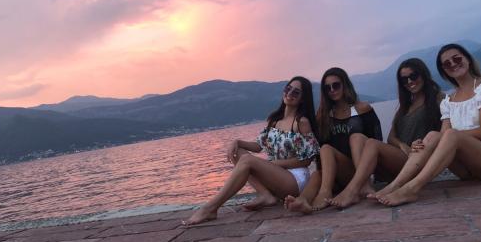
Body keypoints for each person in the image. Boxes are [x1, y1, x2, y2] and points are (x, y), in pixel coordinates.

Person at [375, 43, 481, 206]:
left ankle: (412, 189)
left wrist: (451, 136)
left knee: (449, 134)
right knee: (433, 135)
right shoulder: (449, 100)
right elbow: (441, 136)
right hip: (467, 170)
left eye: (456, 59)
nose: (453, 64)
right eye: (447, 64)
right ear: (444, 70)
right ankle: (395, 185)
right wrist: (420, 144)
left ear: (467, 59)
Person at [183, 76, 320, 225]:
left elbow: (306, 160)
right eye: (288, 89)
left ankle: (210, 208)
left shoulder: (301, 122)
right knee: (238, 152)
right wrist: (237, 142)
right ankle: (265, 195)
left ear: (302, 98)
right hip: (277, 173)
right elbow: (258, 146)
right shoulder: (275, 120)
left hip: (295, 179)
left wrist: (275, 164)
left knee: (247, 161)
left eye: (296, 92)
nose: (290, 93)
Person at [328, 58, 443, 208]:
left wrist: (423, 142)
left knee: (372, 143)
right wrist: (402, 145)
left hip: (417, 159)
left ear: (423, 75)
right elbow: (390, 138)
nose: (409, 81)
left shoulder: (438, 99)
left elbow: (443, 133)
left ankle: (352, 190)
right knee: (356, 137)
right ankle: (364, 185)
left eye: (413, 76)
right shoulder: (405, 105)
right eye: (404, 79)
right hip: (401, 158)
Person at [284, 67, 382, 214]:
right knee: (319, 168)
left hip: (362, 170)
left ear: (345, 85)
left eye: (336, 85)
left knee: (355, 138)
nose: (332, 90)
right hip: (340, 172)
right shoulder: (323, 116)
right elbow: (319, 149)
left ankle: (334, 191)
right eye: (327, 88)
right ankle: (303, 200)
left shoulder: (363, 109)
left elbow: (376, 141)